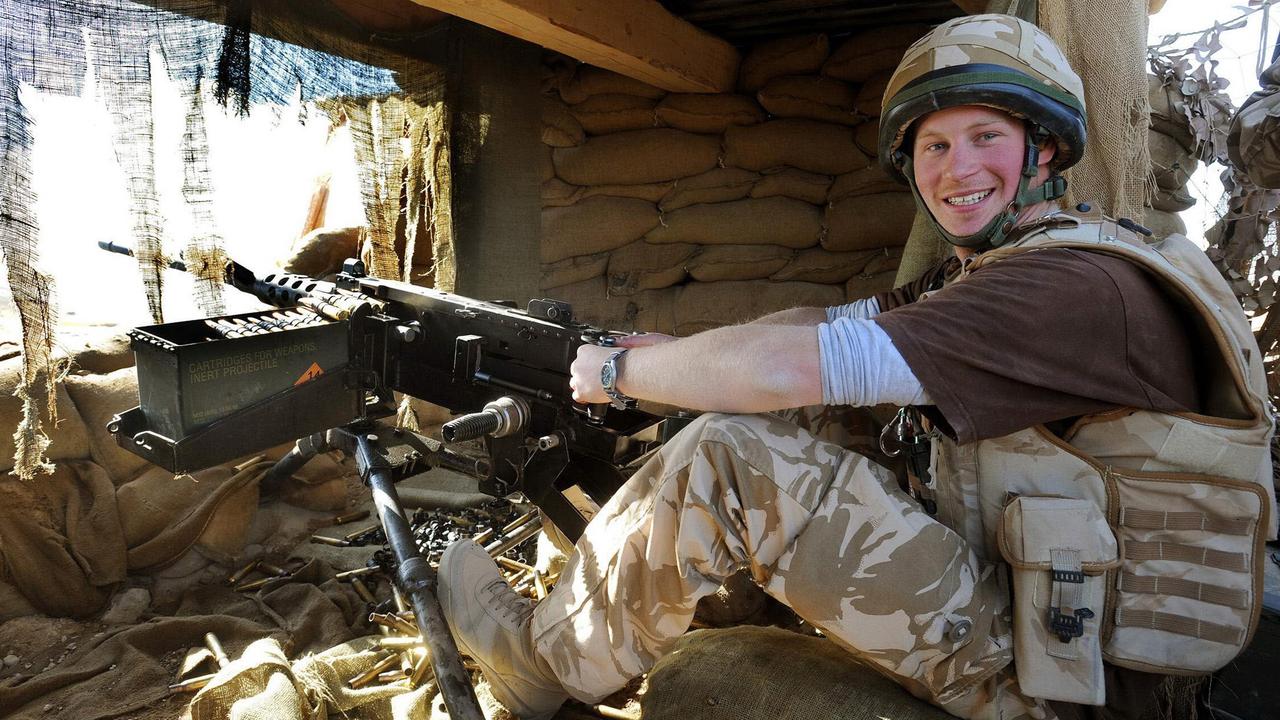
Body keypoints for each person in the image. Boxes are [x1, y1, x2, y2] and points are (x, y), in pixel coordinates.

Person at [439, 14, 1276, 720]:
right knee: (810, 417)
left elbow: (792, 367)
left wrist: (617, 376)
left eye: (987, 137)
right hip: (1053, 622)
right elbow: (825, 325)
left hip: (1064, 682)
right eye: (935, 145)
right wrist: (670, 357)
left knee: (734, 457)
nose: (958, 169)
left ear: (1045, 152)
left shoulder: (1066, 289)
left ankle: (542, 667)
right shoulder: (1019, 263)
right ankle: (684, 589)